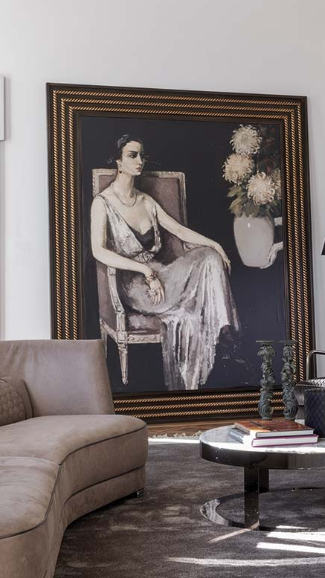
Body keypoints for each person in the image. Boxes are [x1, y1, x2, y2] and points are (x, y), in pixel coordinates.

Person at [90, 135, 239, 390]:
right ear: (118, 161)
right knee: (188, 304)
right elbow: (98, 251)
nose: (140, 161)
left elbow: (179, 230)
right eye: (132, 155)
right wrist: (144, 270)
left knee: (209, 257)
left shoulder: (146, 201)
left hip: (162, 274)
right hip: (134, 284)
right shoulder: (102, 203)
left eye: (142, 155)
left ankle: (225, 335)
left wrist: (216, 245)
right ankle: (218, 339)